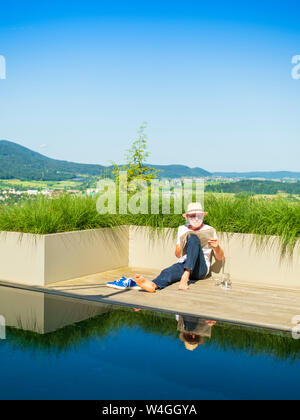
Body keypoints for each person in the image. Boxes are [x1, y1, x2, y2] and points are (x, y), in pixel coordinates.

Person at [134, 202, 225, 293]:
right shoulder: (182, 229)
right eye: (193, 216)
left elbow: (220, 257)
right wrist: (180, 247)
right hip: (184, 263)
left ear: (203, 216)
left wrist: (217, 247)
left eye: (199, 216)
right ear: (187, 217)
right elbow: (178, 255)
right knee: (168, 271)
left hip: (200, 269)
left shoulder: (210, 230)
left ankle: (185, 276)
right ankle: (153, 285)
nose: (196, 219)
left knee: (193, 238)